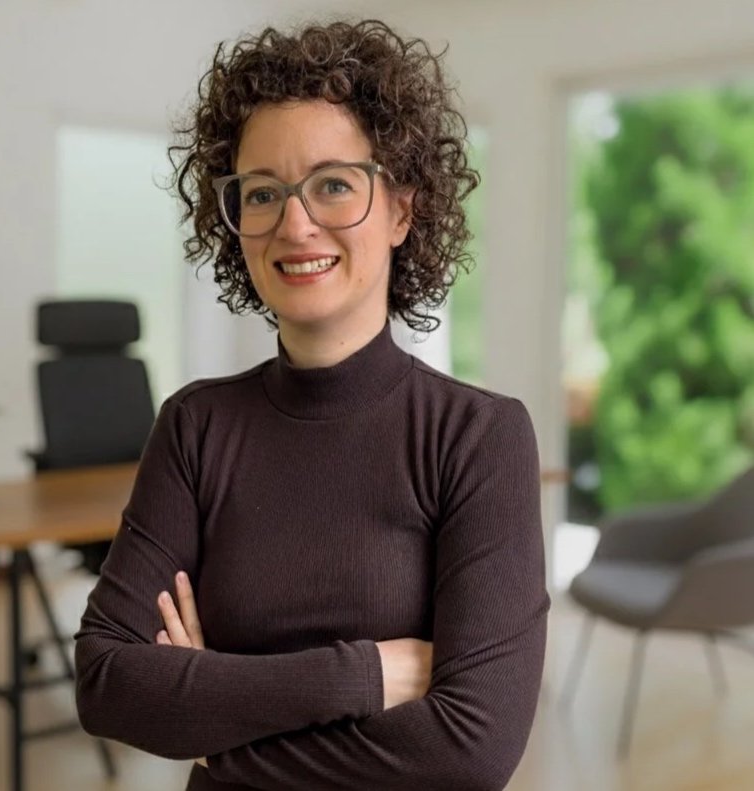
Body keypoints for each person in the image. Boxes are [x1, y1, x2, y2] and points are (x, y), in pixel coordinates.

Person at [74, 18, 548, 791]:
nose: (296, 224)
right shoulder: (197, 425)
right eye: (263, 192)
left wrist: (219, 730)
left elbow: (471, 747)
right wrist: (364, 676)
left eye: (333, 183)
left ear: (401, 209)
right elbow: (106, 679)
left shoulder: (478, 436)